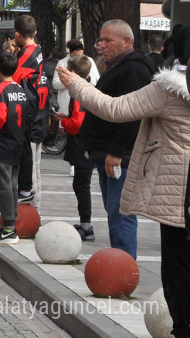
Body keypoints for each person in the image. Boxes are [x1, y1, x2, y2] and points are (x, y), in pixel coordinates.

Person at [58, 33, 188, 334]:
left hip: (178, 192)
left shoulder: (169, 90)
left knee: (179, 271)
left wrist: (76, 84)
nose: (100, 44)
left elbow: (115, 109)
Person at [60, 19, 154, 259]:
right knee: (114, 212)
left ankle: (123, 267)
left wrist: (116, 152)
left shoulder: (134, 68)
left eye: (108, 40)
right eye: (100, 39)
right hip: (106, 153)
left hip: (119, 157)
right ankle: (119, 261)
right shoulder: (115, 65)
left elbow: (131, 115)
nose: (101, 44)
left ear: (126, 41)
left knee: (120, 212)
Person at [0, 52, 30, 245]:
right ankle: (11, 225)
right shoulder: (19, 88)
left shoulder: (0, 89)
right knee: (12, 184)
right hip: (18, 141)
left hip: (2, 141)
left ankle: (8, 228)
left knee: (2, 185)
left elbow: (0, 116)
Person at [55, 55, 96, 241]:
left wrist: (64, 120)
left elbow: (78, 122)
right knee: (81, 184)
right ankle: (85, 223)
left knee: (81, 184)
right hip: (84, 142)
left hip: (82, 144)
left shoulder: (80, 92)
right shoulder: (85, 88)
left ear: (73, 73)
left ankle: (86, 225)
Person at [12, 15, 47, 208]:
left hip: (29, 111)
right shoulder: (37, 50)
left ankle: (26, 192)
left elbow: (11, 77)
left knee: (28, 157)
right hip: (37, 109)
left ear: (17, 34)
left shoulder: (26, 55)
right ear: (35, 32)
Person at [52, 40, 100, 116]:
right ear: (70, 53)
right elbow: (55, 84)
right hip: (66, 102)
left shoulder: (88, 61)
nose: (78, 58)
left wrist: (87, 78)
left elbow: (97, 81)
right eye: (76, 56)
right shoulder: (62, 63)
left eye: (81, 55)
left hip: (84, 102)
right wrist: (68, 80)